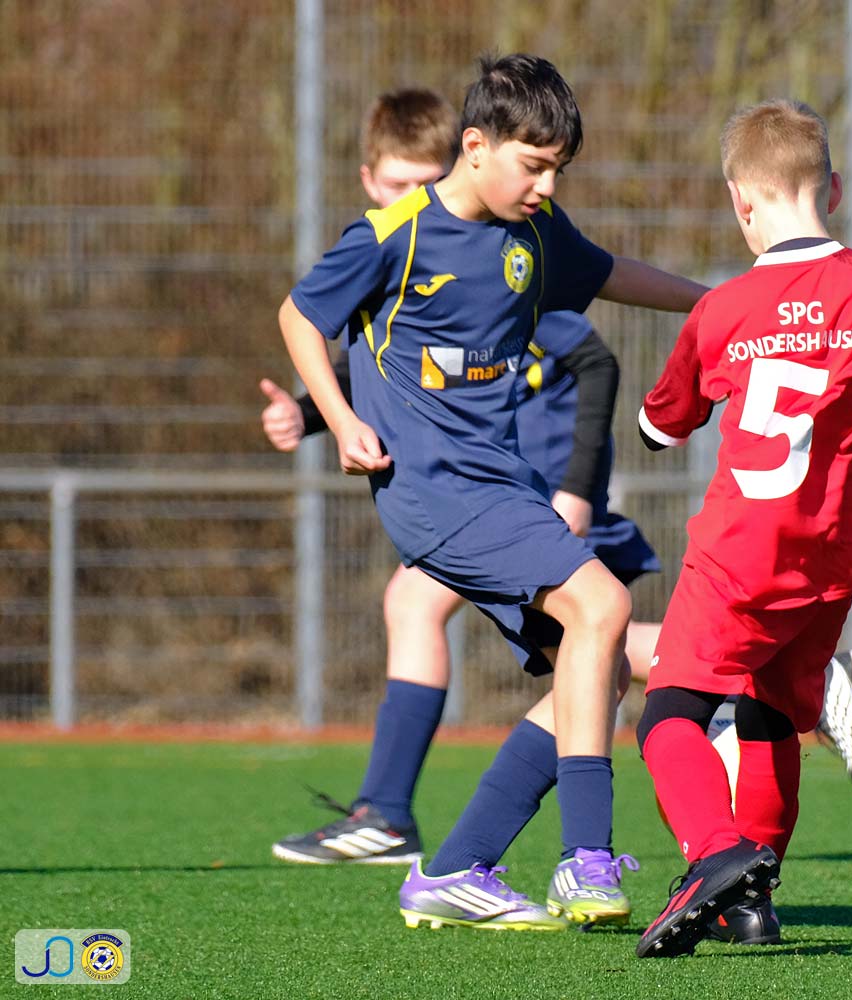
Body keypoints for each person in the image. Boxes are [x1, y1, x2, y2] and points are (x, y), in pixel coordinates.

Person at [277, 53, 708, 933]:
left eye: (558, 170)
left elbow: (614, 272)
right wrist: (341, 419)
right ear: (475, 147)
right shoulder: (395, 233)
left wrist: (730, 309)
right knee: (602, 604)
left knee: (595, 676)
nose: (546, 186)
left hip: (502, 484)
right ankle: (586, 859)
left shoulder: (535, 233)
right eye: (533, 165)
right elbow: (299, 315)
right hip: (430, 488)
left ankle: (453, 868)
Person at [632, 99, 852, 958]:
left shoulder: (722, 309)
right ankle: (752, 904)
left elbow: (658, 428)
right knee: (771, 714)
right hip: (833, 551)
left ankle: (713, 853)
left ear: (740, 201)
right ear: (832, 189)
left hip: (740, 550)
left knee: (669, 711)